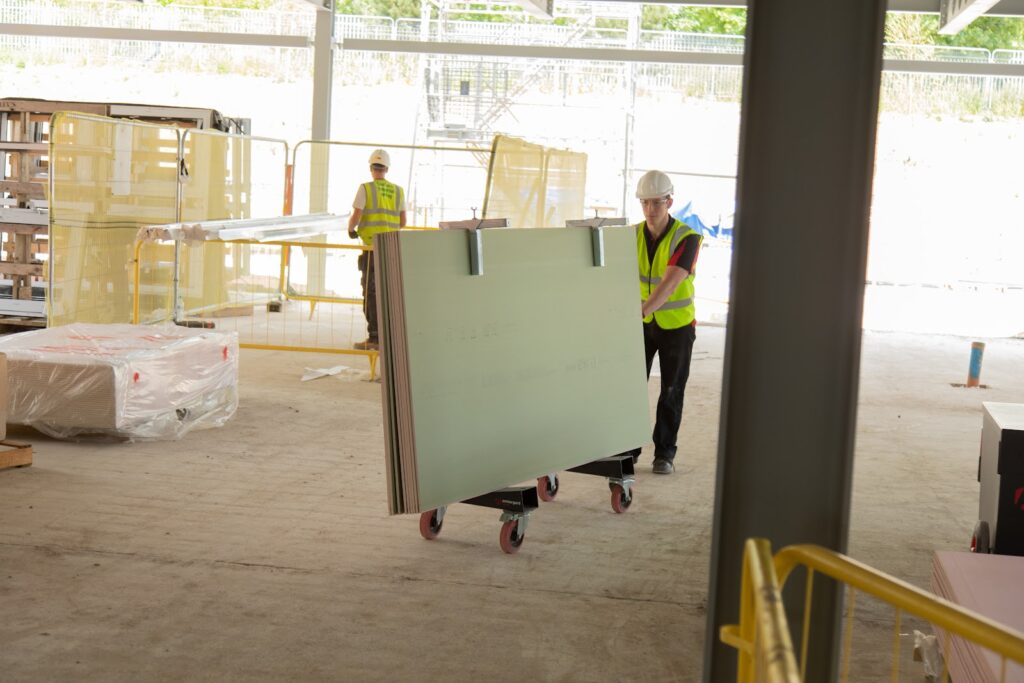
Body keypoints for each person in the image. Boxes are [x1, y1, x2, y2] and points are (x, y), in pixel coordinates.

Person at [628, 170, 702, 475]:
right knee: (630, 388)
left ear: (669, 201)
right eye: (644, 202)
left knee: (671, 389)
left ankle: (664, 453)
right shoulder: (630, 235)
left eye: (656, 202)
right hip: (641, 324)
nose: (650, 209)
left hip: (677, 326)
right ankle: (626, 450)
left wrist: (639, 311)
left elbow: (671, 283)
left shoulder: (687, 238)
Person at [347, 149, 406, 351]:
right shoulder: (398, 191)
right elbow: (403, 221)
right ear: (387, 169)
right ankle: (389, 336)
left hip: (372, 249)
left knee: (371, 292)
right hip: (390, 249)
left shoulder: (366, 188)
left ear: (371, 168)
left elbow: (356, 215)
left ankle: (374, 337)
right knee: (388, 292)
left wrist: (351, 229)